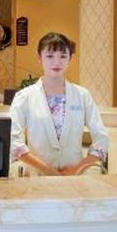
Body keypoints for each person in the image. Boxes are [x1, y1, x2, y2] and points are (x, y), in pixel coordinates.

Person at [8, 32, 108, 176]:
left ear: (70, 58)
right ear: (39, 58)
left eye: (62, 56)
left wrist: (77, 169)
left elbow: (102, 138)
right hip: (36, 177)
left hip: (74, 178)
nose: (56, 62)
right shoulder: (24, 97)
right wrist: (48, 170)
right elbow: (13, 140)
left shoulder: (82, 96)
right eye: (50, 56)